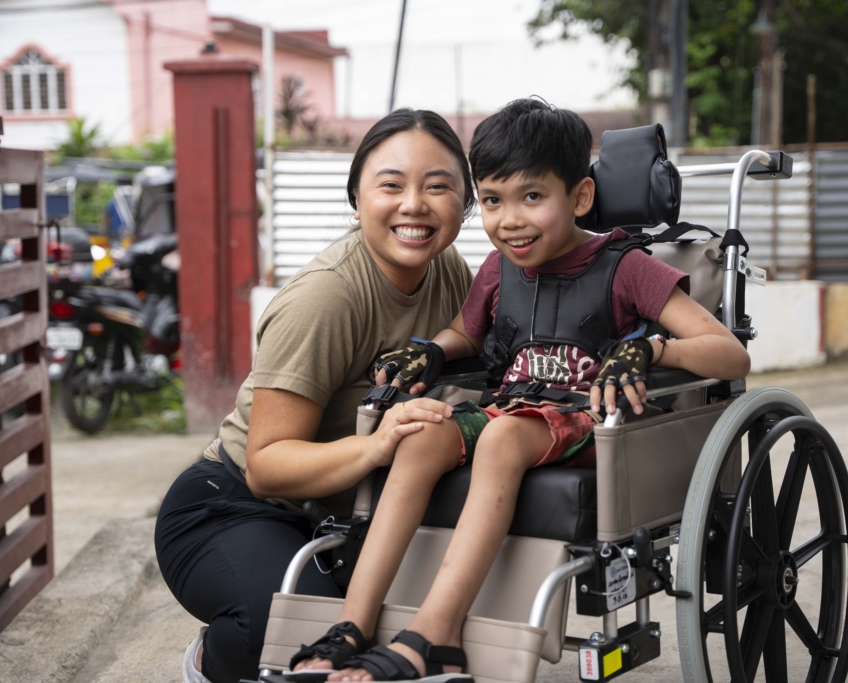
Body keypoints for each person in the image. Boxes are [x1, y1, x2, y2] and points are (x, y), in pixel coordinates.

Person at [291, 99, 751, 682]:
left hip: (591, 421)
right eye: (491, 200)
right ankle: (352, 625)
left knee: (504, 436)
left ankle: (435, 634)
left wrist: (651, 349)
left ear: (579, 197)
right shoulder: (497, 268)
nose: (509, 220)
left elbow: (729, 352)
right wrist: (433, 349)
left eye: (532, 197)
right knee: (416, 435)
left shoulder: (627, 266)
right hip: (511, 408)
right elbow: (467, 332)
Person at [154, 108, 477, 683]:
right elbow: (267, 466)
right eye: (391, 184)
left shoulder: (450, 269)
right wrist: (377, 448)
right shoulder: (327, 297)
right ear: (357, 198)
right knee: (286, 633)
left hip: (344, 510)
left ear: (465, 202)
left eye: (438, 186)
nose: (414, 205)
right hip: (231, 506)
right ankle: (212, 659)